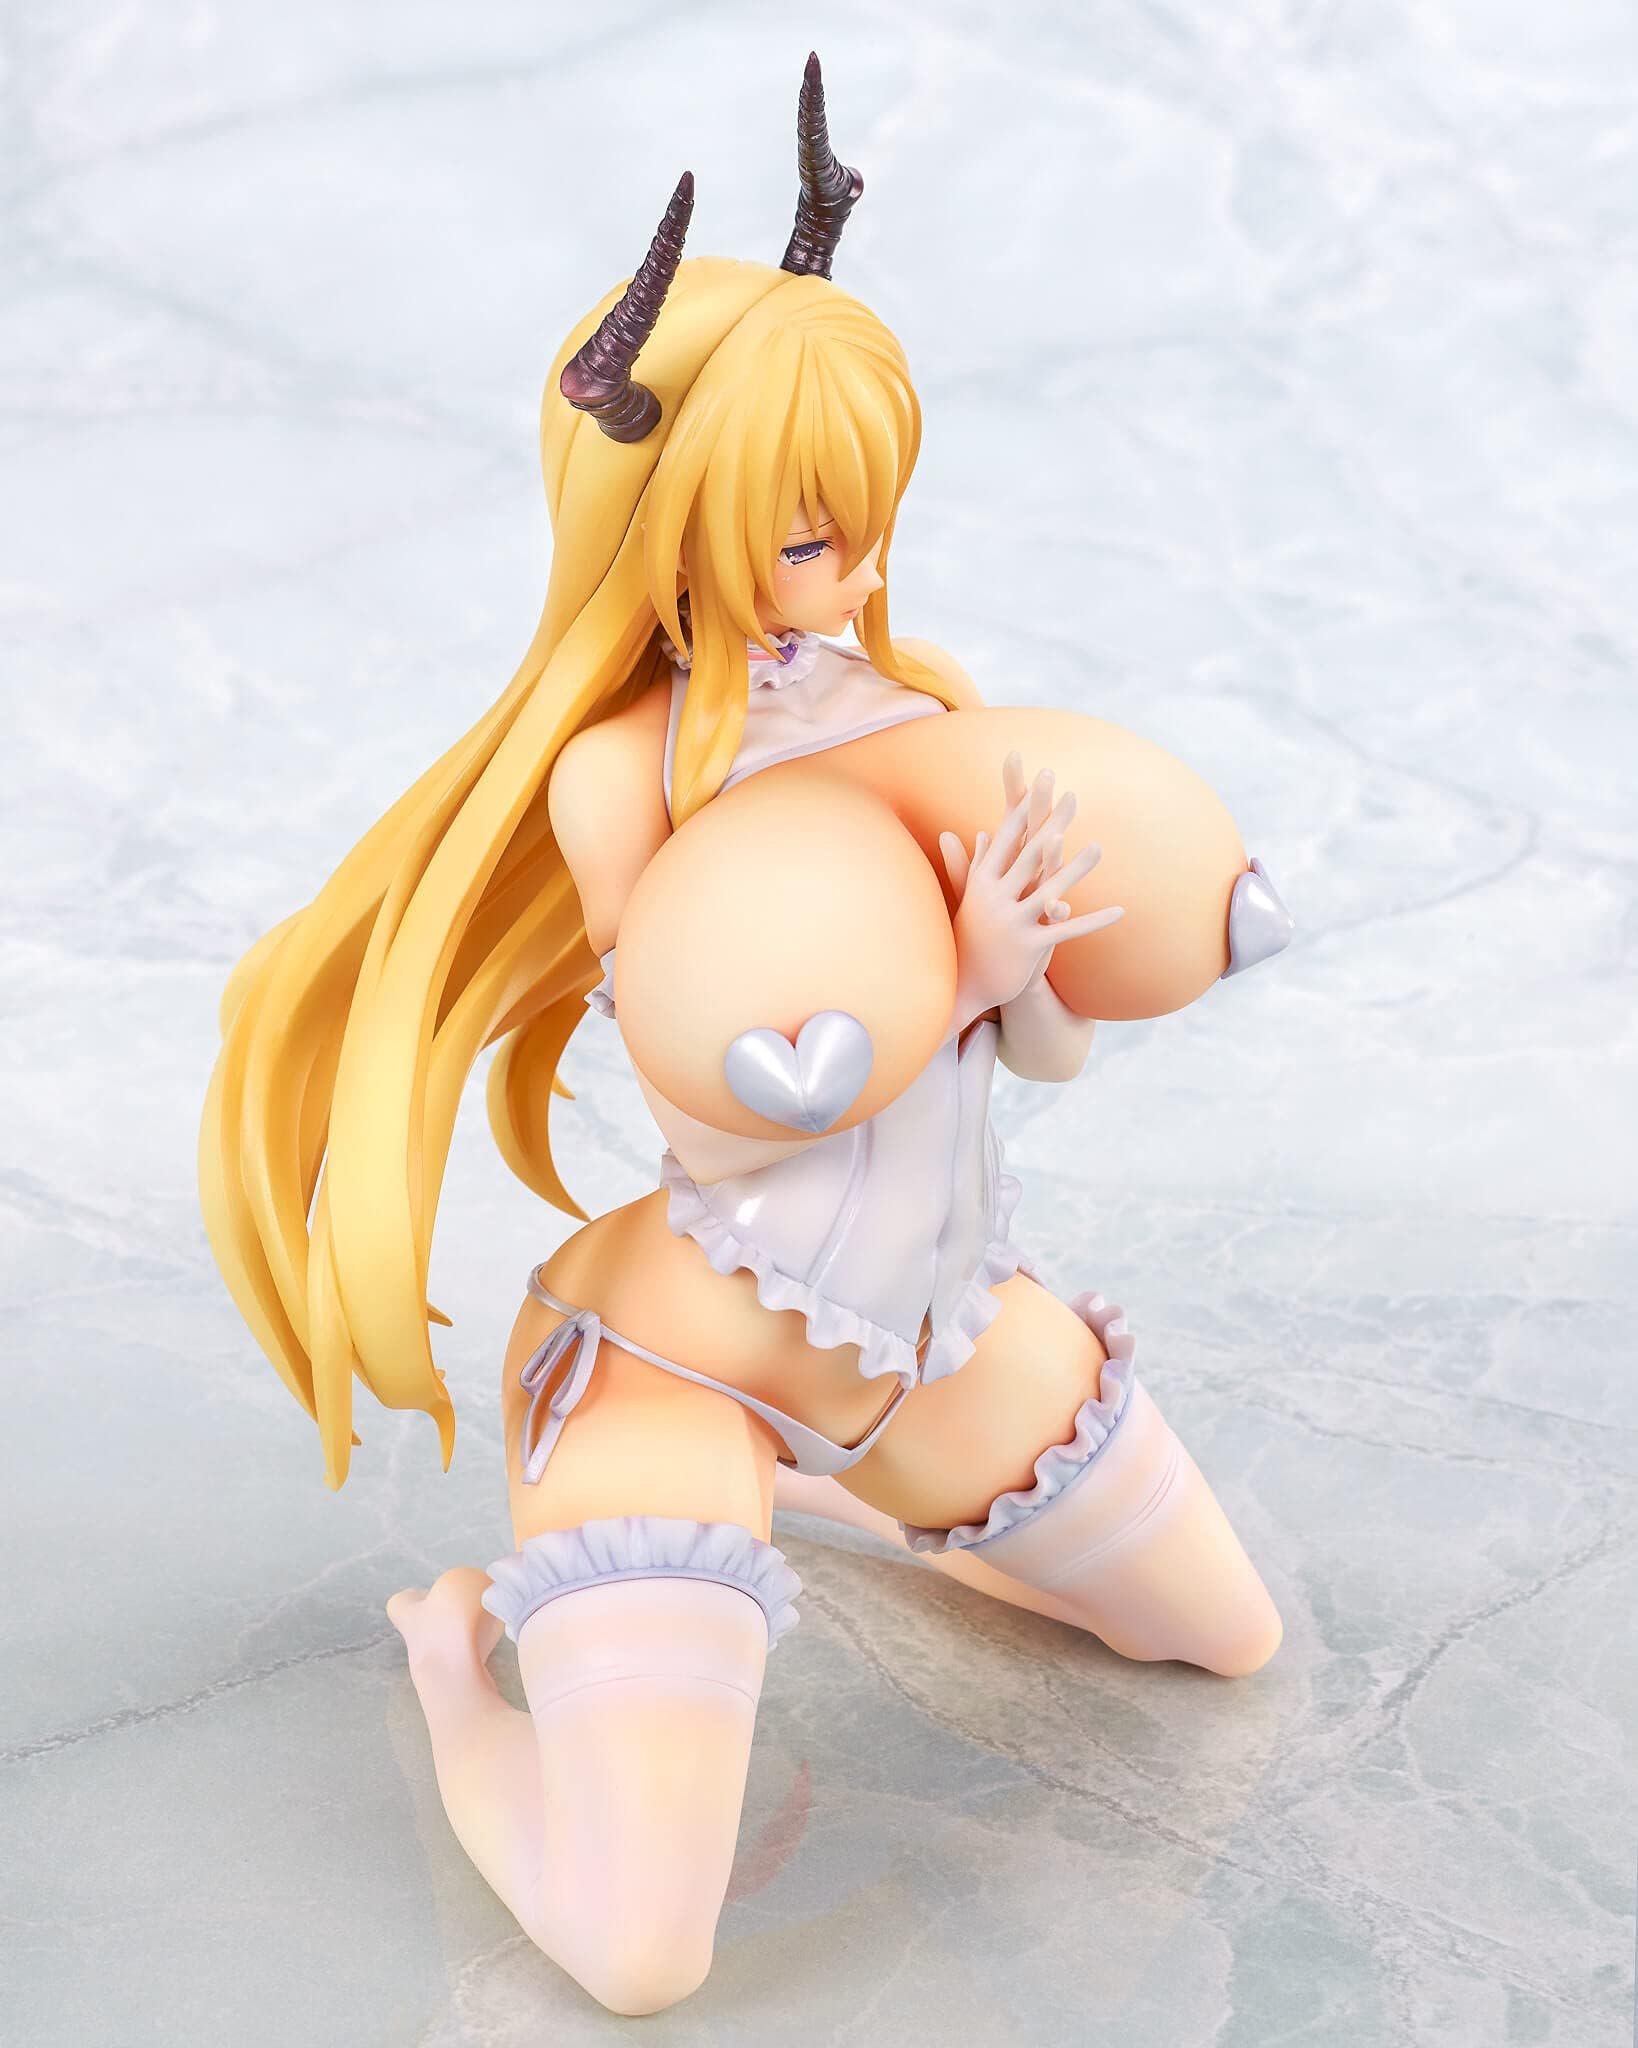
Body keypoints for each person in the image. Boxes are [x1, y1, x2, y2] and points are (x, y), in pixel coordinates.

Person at [199, 55, 1293, 2018]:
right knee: (639, 1956)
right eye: (804, 539)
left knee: (1225, 1641)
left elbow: (1033, 1066)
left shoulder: (918, 707)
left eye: (862, 528)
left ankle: (850, 1493)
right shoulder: (620, 776)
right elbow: (724, 1114)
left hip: (933, 1337)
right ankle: (460, 1676)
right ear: (673, 529)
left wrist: (1017, 972)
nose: (850, 576)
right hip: (670, 1363)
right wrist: (951, 969)